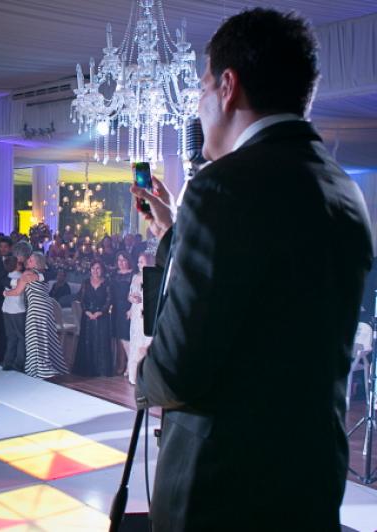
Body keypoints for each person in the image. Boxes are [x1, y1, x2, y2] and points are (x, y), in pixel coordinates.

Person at [131, 9, 373, 531]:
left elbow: (178, 371)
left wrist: (142, 375)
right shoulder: (343, 189)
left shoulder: (222, 186)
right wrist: (175, 233)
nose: (198, 107)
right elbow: (271, 293)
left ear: (228, 86)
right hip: (308, 478)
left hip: (223, 490)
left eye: (201, 88)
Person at [5, 252, 68, 379]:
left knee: (35, 338)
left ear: (37, 263)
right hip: (47, 308)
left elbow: (17, 291)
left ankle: (40, 370)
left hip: (36, 309)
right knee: (46, 336)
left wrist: (6, 293)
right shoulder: (42, 273)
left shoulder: (28, 274)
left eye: (31, 260)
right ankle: (51, 366)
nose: (28, 261)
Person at [72, 260, 114, 377]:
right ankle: (87, 369)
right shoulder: (85, 282)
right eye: (93, 268)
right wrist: (87, 311)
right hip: (87, 317)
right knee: (87, 341)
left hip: (102, 317)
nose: (95, 271)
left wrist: (101, 312)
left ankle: (101, 370)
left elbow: (109, 300)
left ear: (102, 270)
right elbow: (81, 299)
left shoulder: (107, 283)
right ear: (90, 270)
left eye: (98, 268)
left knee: (101, 342)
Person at [126, 252, 153, 385]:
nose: (138, 264)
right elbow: (129, 295)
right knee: (135, 342)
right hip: (136, 312)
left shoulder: (152, 277)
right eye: (138, 261)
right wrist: (132, 299)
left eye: (141, 262)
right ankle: (134, 375)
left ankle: (146, 376)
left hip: (147, 312)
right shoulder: (135, 277)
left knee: (146, 342)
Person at [109, 251, 133, 375]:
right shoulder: (114, 274)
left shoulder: (133, 274)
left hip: (128, 308)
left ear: (128, 260)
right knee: (118, 337)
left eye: (124, 260)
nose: (121, 263)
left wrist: (132, 309)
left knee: (126, 337)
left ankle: (130, 364)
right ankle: (120, 363)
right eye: (119, 260)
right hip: (116, 308)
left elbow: (136, 292)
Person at [1, 255, 26, 372]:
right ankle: (19, 363)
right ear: (15, 265)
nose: (21, 263)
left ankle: (7, 362)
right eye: (19, 262)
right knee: (21, 337)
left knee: (11, 337)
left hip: (6, 309)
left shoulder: (7, 276)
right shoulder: (21, 277)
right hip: (17, 310)